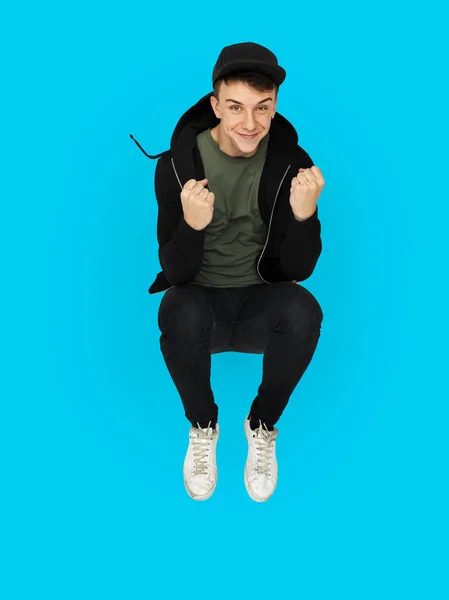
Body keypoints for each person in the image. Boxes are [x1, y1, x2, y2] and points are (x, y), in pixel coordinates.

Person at [130, 42, 325, 503]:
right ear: (215, 105)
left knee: (305, 311)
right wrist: (193, 228)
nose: (250, 124)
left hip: (262, 305)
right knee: (176, 308)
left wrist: (304, 216)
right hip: (202, 309)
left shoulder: (292, 163)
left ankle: (261, 425)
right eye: (235, 107)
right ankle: (203, 426)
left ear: (275, 107)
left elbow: (300, 270)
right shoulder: (177, 166)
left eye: (263, 108)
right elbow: (175, 272)